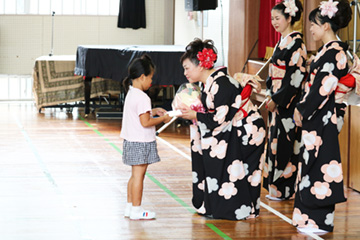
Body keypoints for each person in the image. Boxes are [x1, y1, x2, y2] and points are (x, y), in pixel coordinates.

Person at [179, 38, 266, 220]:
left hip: (248, 130)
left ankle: (246, 209)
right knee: (236, 169)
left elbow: (219, 119)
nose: (185, 72)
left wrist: (196, 116)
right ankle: (225, 206)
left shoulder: (221, 84)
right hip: (235, 127)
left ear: (201, 65)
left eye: (187, 68)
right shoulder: (211, 83)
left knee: (245, 171)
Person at [292, 0, 352, 233]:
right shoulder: (330, 51)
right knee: (311, 164)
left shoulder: (335, 53)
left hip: (324, 114)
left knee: (320, 165)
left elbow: (322, 88)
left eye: (314, 25)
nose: (311, 29)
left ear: (326, 25)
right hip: (319, 113)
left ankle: (318, 221)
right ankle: (308, 218)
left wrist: (302, 108)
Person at [263, 0, 307, 201]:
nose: (273, 22)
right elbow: (274, 74)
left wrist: (278, 100)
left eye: (277, 18)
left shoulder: (297, 44)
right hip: (278, 101)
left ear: (289, 18)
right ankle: (277, 188)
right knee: (275, 143)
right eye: (272, 18)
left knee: (287, 145)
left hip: (288, 104)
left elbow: (295, 78)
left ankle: (285, 189)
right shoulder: (283, 41)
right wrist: (270, 93)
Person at [120, 54, 172, 220]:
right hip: (141, 142)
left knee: (134, 175)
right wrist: (163, 118)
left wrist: (154, 110)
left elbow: (141, 114)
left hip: (131, 141)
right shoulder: (143, 97)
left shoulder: (132, 93)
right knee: (139, 177)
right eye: (150, 78)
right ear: (142, 77)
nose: (151, 81)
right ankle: (137, 209)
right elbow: (146, 121)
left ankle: (129, 207)